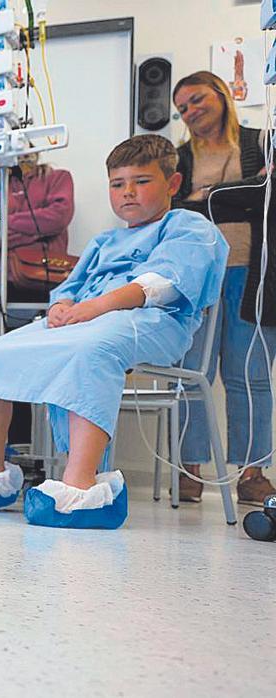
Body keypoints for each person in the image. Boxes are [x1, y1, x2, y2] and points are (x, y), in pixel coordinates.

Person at [0, 135, 228, 529]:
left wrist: (94, 307)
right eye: (118, 184)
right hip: (86, 319)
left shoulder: (188, 227)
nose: (128, 192)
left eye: (142, 181)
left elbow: (165, 284)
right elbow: (69, 288)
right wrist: (62, 307)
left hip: (155, 322)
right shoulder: (105, 241)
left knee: (91, 351)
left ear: (173, 183)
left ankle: (80, 485)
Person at [171, 70, 276, 507]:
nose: (192, 112)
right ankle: (189, 471)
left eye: (197, 99)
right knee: (191, 375)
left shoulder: (259, 143)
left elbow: (267, 191)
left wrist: (210, 195)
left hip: (253, 275)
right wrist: (236, 195)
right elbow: (175, 208)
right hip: (200, 279)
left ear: (222, 94)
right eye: (183, 108)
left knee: (249, 376)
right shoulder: (178, 159)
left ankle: (252, 474)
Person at [0, 153, 75, 448]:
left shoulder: (57, 180)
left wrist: (3, 221)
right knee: (0, 368)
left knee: (39, 367)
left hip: (44, 281)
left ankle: (45, 452)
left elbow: (58, 218)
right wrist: (34, 224)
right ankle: (7, 451)